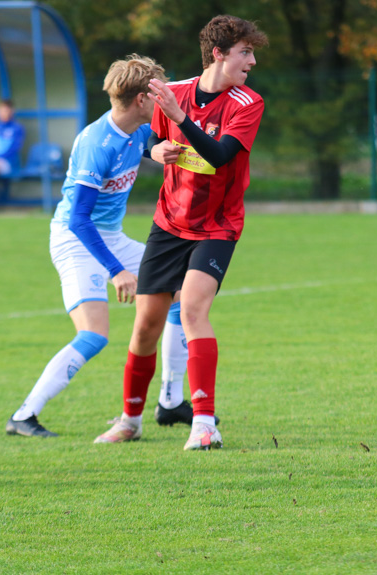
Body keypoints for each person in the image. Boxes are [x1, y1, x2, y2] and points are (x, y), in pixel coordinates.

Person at [95, 15, 268, 450]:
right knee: (146, 327)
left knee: (192, 311)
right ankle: (130, 420)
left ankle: (204, 424)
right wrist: (155, 149)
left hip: (218, 226)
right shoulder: (174, 92)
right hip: (169, 224)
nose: (251, 61)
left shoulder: (247, 103)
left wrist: (180, 119)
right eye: (245, 52)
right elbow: (142, 134)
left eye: (252, 53)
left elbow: (220, 156)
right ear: (218, 53)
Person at [6, 54, 192, 438]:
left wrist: (154, 151)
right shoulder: (96, 143)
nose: (160, 99)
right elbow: (78, 219)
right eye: (154, 93)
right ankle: (24, 416)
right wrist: (117, 270)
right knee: (94, 334)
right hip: (76, 239)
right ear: (141, 100)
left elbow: (142, 144)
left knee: (180, 293)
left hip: (109, 236)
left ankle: (171, 402)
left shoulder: (137, 128)